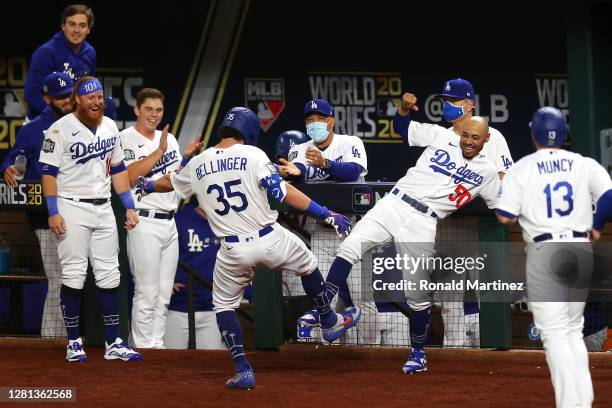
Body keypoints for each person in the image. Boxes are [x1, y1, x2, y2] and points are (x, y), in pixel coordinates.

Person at [136, 106, 355, 389]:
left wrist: (150, 186)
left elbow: (171, 182)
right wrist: (327, 213)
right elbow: (282, 192)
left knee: (224, 306)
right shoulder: (253, 154)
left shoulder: (198, 163)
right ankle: (328, 319)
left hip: (231, 250)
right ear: (249, 131)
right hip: (270, 238)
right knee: (309, 265)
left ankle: (242, 369)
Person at [317, 92, 500, 373]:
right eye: (466, 135)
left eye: (475, 138)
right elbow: (403, 127)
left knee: (417, 294)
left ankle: (417, 352)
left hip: (424, 221)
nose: (468, 141)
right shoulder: (440, 136)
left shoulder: (488, 171)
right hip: (394, 202)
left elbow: (502, 207)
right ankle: (326, 313)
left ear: (485, 140)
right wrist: (403, 109)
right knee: (349, 247)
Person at [496, 107, 612, 407]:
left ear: (533, 133)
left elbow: (504, 215)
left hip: (545, 251)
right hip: (580, 250)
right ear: (565, 133)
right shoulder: (584, 164)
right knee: (573, 331)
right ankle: (581, 401)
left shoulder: (523, 168)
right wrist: (597, 227)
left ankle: (570, 404)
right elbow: (609, 196)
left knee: (556, 335)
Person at [38, 76, 141, 362]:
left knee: (110, 274)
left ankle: (114, 342)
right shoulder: (59, 130)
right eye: (90, 97)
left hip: (104, 206)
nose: (96, 101)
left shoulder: (110, 126)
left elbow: (118, 168)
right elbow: (47, 173)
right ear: (77, 101)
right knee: (73, 275)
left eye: (99, 96)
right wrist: (53, 210)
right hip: (71, 206)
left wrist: (129, 206)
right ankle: (73, 342)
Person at [279, 100, 392, 345]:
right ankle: (326, 349)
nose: (313, 124)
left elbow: (353, 171)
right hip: (321, 230)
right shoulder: (299, 148)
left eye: (318, 119)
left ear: (331, 121)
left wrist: (325, 163)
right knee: (323, 298)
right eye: (309, 120)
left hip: (355, 229)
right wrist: (296, 171)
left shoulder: (350, 142)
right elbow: (298, 166)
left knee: (362, 299)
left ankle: (370, 350)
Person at [429, 78, 515, 347]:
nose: (448, 106)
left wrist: (472, 186)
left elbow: (506, 177)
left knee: (488, 295)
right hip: (449, 225)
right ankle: (454, 354)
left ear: (469, 105)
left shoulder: (493, 136)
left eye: (453, 101)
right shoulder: (440, 138)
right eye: (445, 101)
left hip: (482, 226)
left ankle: (492, 352)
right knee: (449, 300)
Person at [119, 87, 200, 349]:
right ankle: (142, 346)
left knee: (164, 292)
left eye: (159, 110)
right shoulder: (125, 138)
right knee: (146, 290)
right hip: (143, 220)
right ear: (137, 110)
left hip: (169, 220)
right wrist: (158, 151)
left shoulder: (171, 140)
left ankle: (156, 345)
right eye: (149, 109)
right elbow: (129, 177)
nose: (154, 115)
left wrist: (186, 157)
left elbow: (173, 177)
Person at [1, 72, 74, 337]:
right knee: (59, 280)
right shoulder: (33, 129)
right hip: (46, 216)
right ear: (47, 98)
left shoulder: (83, 124)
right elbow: (18, 159)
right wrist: (13, 169)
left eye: (69, 95)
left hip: (82, 210)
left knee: (76, 280)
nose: (66, 101)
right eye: (60, 97)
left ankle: (72, 338)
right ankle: (53, 340)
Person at [163, 197, 225, 349]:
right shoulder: (178, 221)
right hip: (177, 307)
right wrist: (164, 283)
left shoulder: (226, 224)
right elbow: (156, 255)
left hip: (212, 308)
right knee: (169, 363)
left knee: (214, 363)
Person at [24, 4, 96, 121]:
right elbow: (31, 94)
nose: (76, 30)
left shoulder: (90, 53)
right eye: (72, 24)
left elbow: (89, 91)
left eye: (82, 25)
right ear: (63, 26)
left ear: (88, 29)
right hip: (42, 122)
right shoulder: (46, 52)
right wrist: (61, 120)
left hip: (74, 123)